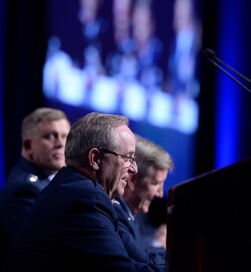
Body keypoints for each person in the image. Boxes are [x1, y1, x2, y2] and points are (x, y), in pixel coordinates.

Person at [3, 112, 166, 272]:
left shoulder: (70, 186)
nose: (133, 168)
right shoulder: (85, 200)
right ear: (95, 159)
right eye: (127, 158)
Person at [0, 107, 71, 267]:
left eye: (65, 136)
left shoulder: (51, 182)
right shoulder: (24, 190)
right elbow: (43, 253)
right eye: (50, 136)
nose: (60, 143)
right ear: (28, 145)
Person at [113, 134, 174, 268]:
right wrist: (160, 244)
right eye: (156, 183)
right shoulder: (116, 215)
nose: (160, 194)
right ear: (132, 179)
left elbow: (143, 254)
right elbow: (144, 263)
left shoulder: (131, 215)